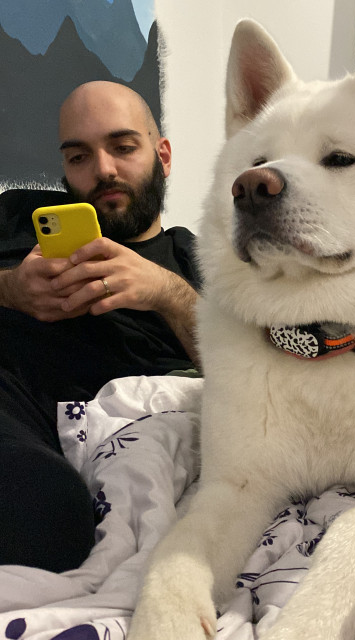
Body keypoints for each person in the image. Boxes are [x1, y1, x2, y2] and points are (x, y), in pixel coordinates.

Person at [0, 81, 201, 573]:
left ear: (163, 156)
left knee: (47, 516)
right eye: (78, 157)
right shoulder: (18, 217)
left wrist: (164, 291)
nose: (103, 169)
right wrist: (10, 289)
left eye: (123, 147)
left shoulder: (197, 260)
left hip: (68, 437)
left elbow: (258, 371)